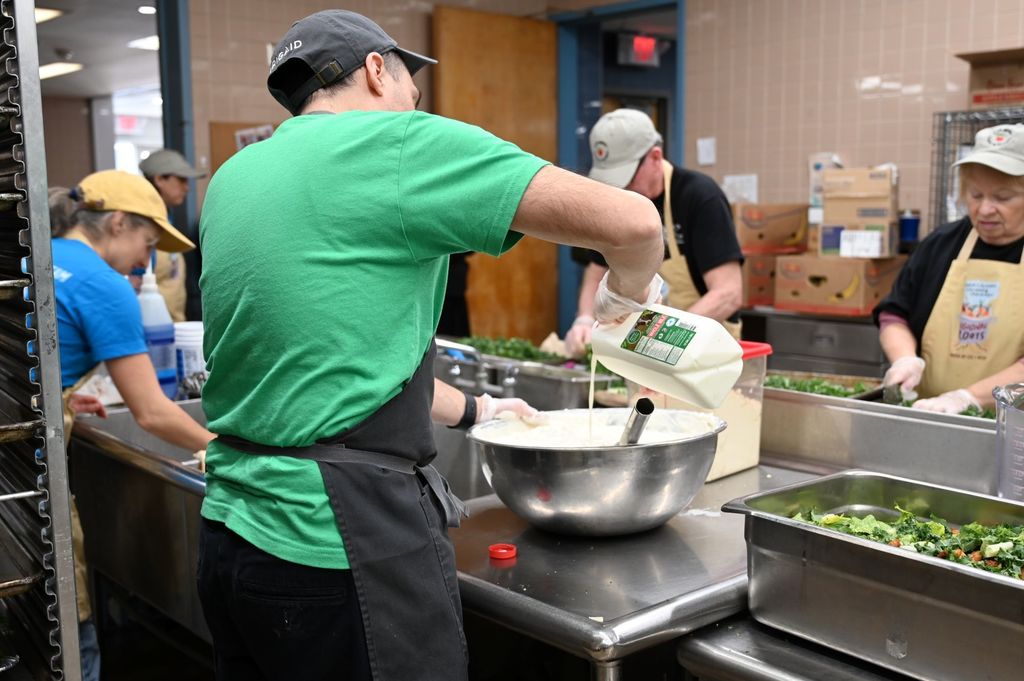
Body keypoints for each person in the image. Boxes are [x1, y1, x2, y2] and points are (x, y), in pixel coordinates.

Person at [195, 10, 663, 681]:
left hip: (231, 535)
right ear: (377, 70)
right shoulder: (396, 142)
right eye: (411, 80)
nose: (417, 97)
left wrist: (477, 410)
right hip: (336, 544)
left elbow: (327, 362)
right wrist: (628, 302)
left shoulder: (237, 176)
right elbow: (635, 222)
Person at [52, 171, 215, 681]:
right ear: (117, 222)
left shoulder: (44, 254)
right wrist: (223, 445)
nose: (146, 260)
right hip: (27, 475)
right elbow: (151, 411)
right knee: (71, 639)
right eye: (147, 242)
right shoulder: (105, 285)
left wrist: (61, 393)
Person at [564, 108, 744, 357]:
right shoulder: (618, 203)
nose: (622, 187)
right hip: (644, 349)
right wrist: (584, 319)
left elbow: (728, 293)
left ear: (655, 157)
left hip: (705, 351)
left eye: (627, 176)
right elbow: (595, 274)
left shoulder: (699, 196)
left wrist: (664, 335)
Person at [874, 124, 1024, 414]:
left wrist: (967, 398)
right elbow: (894, 314)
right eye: (976, 194)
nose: (984, 209)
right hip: (930, 414)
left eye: (1003, 198)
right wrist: (905, 359)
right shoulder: (941, 243)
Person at [139, 149, 206, 321]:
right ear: (160, 179)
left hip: (175, 326)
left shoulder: (167, 218)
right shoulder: (143, 227)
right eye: (181, 180)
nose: (187, 188)